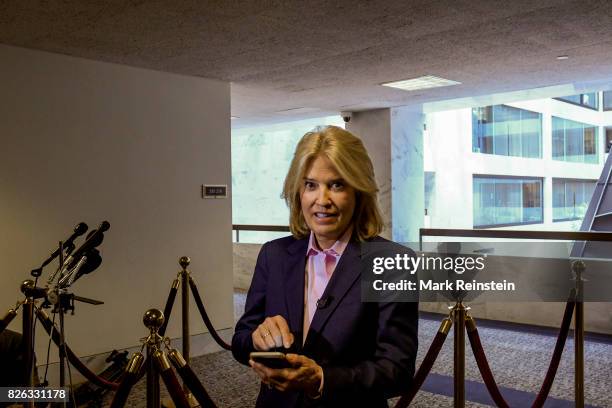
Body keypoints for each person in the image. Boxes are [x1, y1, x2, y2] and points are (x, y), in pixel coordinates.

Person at [232, 125, 418, 407]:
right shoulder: (274, 254)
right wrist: (257, 340)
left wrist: (321, 378)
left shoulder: (393, 263)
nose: (322, 200)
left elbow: (397, 372)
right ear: (298, 192)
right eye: (311, 185)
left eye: (337, 185)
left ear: (358, 192)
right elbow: (241, 340)